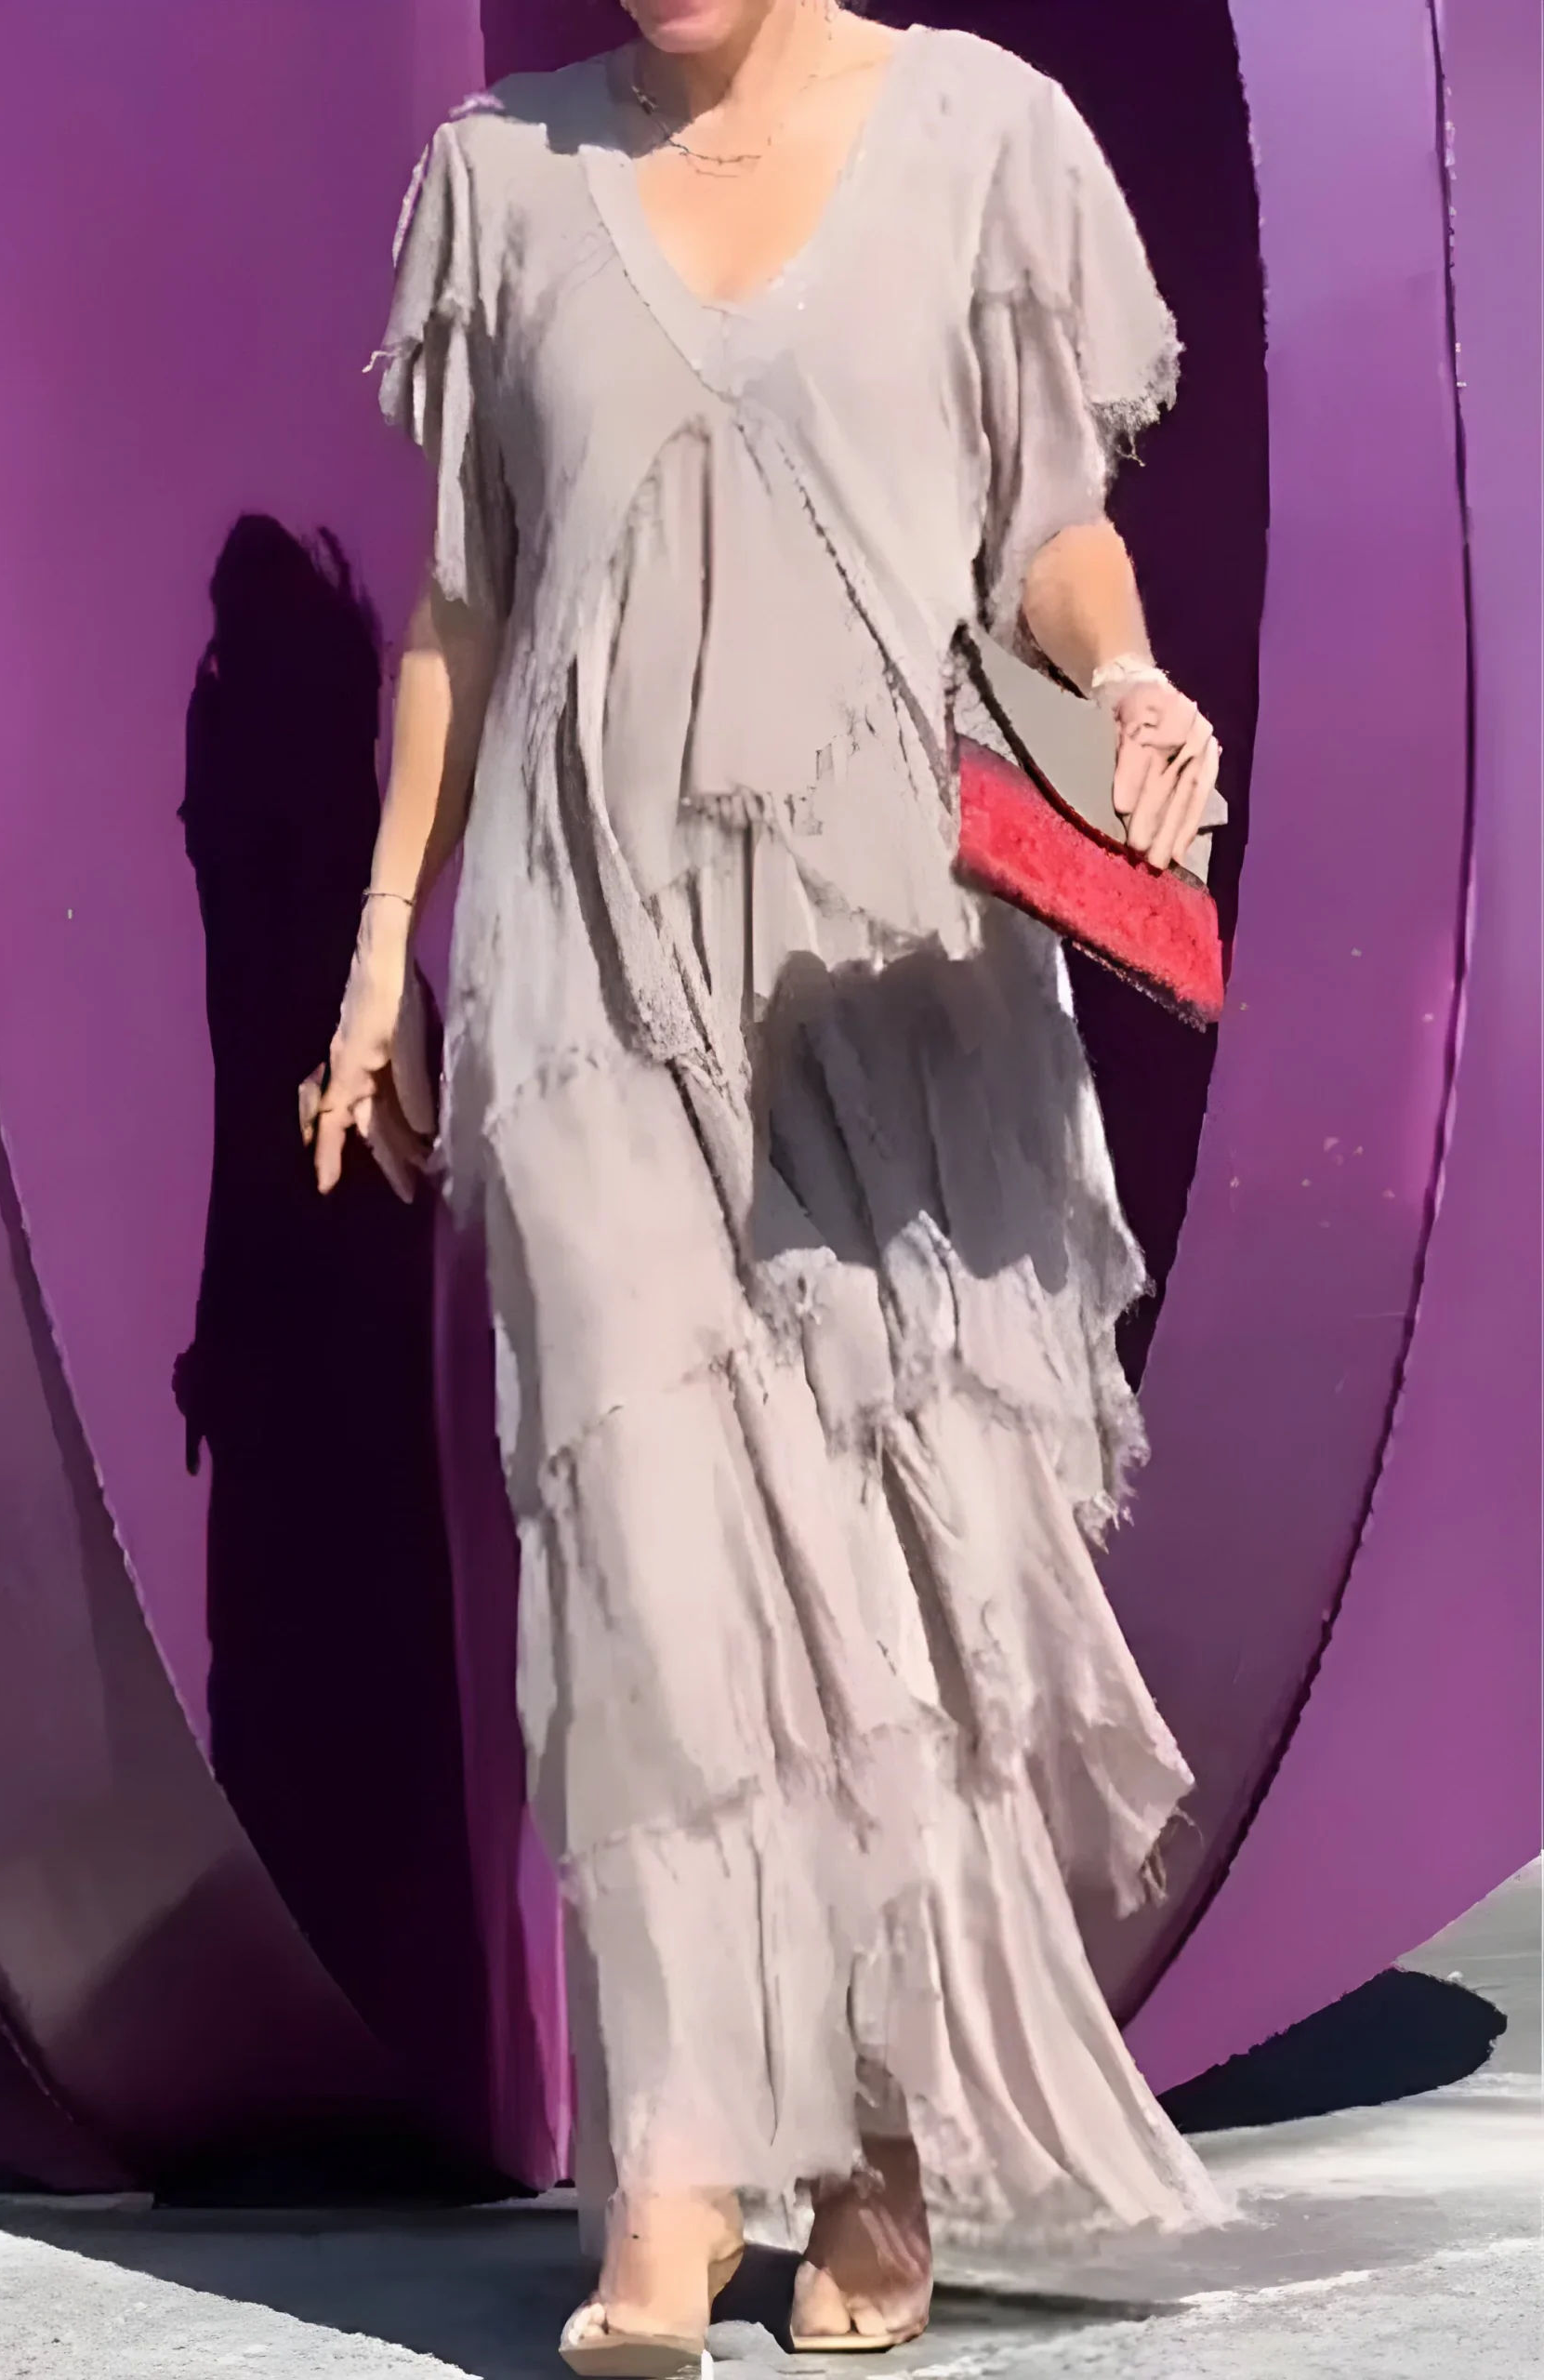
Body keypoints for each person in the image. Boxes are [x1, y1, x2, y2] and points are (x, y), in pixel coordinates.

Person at [308, 4, 1231, 2369]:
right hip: (584, 960)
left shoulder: (986, 137)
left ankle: (878, 2145)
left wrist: (1133, 681)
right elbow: (459, 606)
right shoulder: (499, 182)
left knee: (875, 1567)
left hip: (888, 968)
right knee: (648, 1565)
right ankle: (672, 2168)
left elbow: (1050, 532)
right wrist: (384, 947)